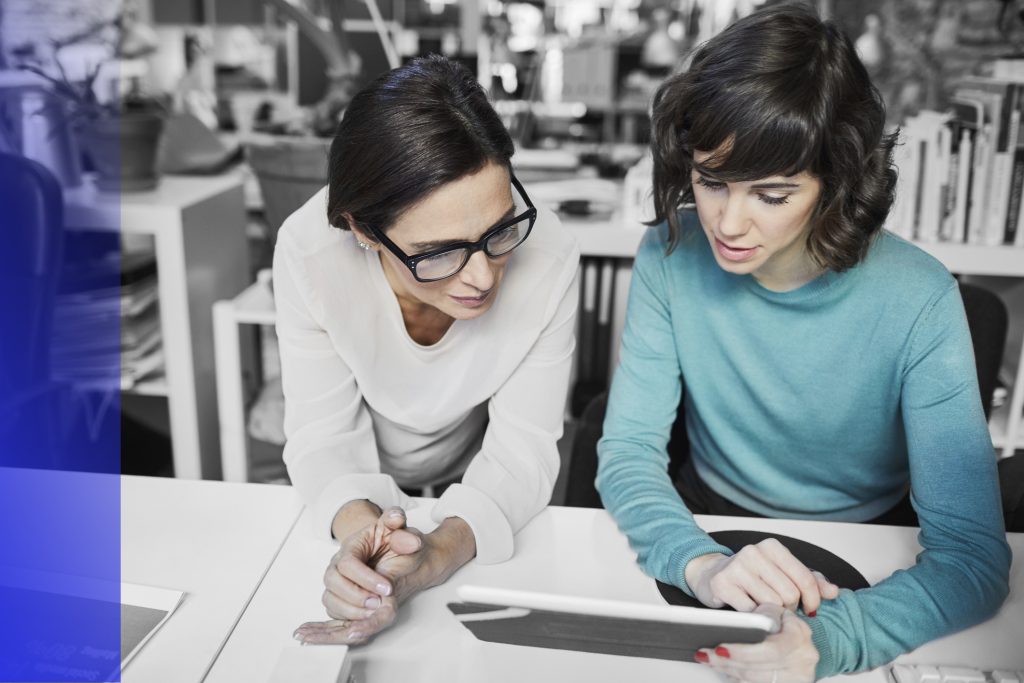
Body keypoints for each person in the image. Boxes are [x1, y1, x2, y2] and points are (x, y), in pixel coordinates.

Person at [596, 5, 1010, 682]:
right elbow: (629, 452)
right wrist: (698, 562)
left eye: (773, 193)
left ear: (835, 183)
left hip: (870, 541)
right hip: (702, 521)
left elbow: (971, 558)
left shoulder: (921, 297)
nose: (729, 222)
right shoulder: (669, 253)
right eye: (710, 181)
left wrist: (832, 641)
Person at [276, 55, 580, 645]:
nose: (483, 277)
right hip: (370, 467)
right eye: (437, 252)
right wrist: (365, 545)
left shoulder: (550, 254)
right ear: (361, 230)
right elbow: (323, 436)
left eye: (499, 232)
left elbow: (522, 450)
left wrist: (434, 555)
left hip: (475, 466)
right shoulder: (310, 252)